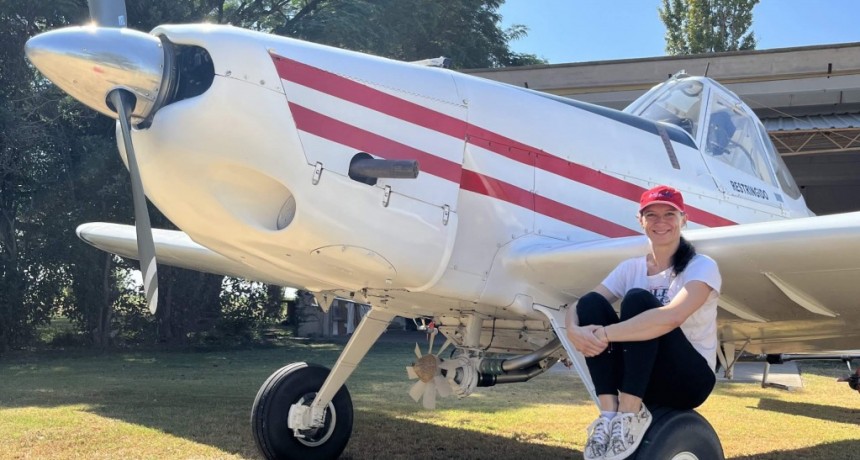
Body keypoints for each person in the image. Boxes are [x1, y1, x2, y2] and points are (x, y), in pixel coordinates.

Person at [565, 185, 721, 460]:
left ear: (683, 219)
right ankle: (609, 416)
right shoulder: (631, 268)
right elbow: (580, 305)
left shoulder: (701, 266)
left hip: (689, 380)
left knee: (639, 301)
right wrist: (573, 330)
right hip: (644, 375)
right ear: (641, 221)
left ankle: (629, 414)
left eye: (669, 214)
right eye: (652, 215)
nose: (661, 222)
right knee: (591, 304)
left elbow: (672, 317)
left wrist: (603, 334)